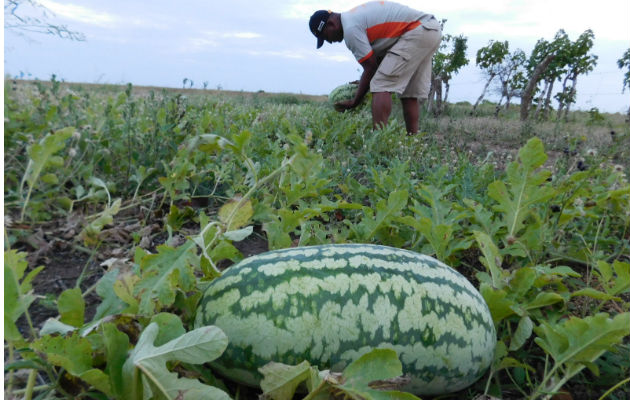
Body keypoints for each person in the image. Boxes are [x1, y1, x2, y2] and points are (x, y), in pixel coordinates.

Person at [309, 1, 441, 135]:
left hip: (417, 31)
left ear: (331, 24)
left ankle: (379, 141)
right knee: (409, 94)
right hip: (431, 29)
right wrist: (363, 83)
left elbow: (371, 68)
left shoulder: (350, 29)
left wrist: (355, 101)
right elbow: (376, 64)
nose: (329, 41)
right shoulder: (354, 19)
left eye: (325, 36)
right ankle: (412, 140)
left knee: (380, 85)